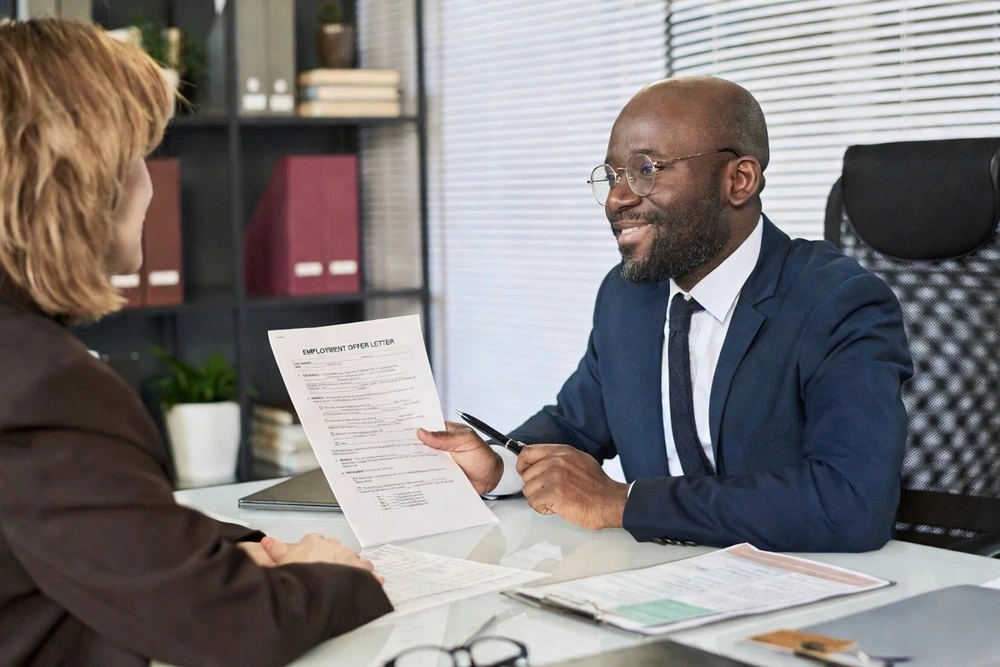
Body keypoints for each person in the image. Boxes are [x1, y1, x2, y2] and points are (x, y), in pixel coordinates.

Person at [0, 19, 390, 667]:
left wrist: (243, 542)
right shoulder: (44, 383)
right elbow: (233, 628)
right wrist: (331, 573)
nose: (152, 188)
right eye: (139, 159)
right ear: (88, 181)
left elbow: (74, 520)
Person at [419, 76, 913, 553]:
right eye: (612, 176)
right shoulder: (628, 297)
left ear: (738, 180)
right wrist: (499, 467)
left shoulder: (838, 302)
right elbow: (575, 427)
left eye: (646, 170)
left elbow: (851, 502)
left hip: (796, 583)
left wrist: (624, 503)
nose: (617, 198)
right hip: (654, 577)